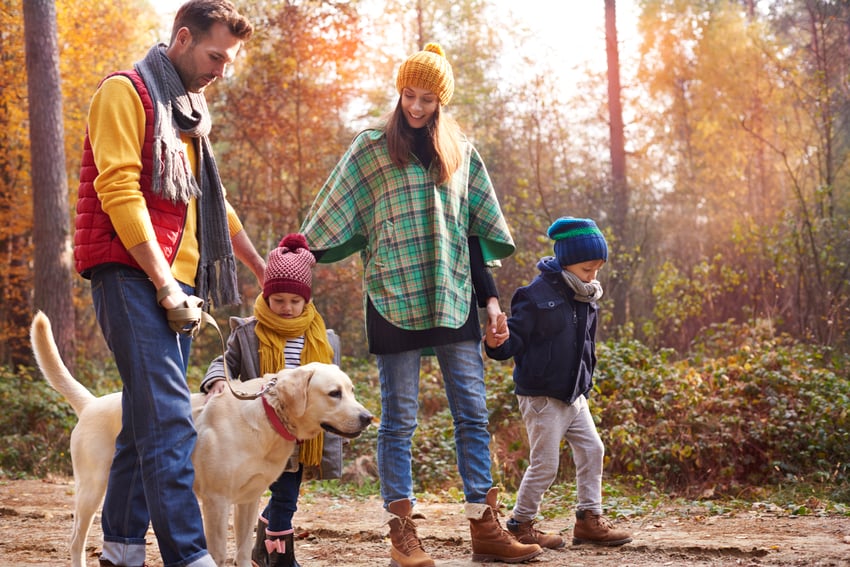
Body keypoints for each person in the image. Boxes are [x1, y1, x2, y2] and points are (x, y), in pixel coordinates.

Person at [299, 42, 542, 566]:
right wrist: (294, 258)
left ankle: (485, 527)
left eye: (427, 98)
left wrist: (491, 301)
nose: (415, 106)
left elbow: (472, 233)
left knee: (472, 414)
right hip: (392, 295)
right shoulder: (371, 148)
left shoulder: (460, 152)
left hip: (452, 294)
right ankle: (402, 534)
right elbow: (330, 213)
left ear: (441, 101)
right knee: (399, 420)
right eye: (408, 95)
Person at [73, 2, 265, 566]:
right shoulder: (124, 93)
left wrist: (260, 267)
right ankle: (189, 555)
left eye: (229, 62)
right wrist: (163, 282)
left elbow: (213, 202)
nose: (221, 71)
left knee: (143, 422)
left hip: (179, 283)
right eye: (215, 57)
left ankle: (121, 550)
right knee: (171, 421)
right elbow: (119, 191)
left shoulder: (188, 116)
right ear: (182, 38)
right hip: (131, 274)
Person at [484, 217, 633, 549]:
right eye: (586, 269)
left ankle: (589, 520)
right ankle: (521, 523)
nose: (592, 276)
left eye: (597, 269)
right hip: (542, 396)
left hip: (574, 394)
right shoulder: (534, 295)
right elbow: (512, 342)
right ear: (566, 261)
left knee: (593, 450)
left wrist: (586, 380)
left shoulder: (586, 296)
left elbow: (586, 345)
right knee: (546, 465)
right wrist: (496, 343)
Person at [200, 233, 341, 567]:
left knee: (286, 496)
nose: (287, 308)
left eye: (295, 301)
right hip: (259, 433)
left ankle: (271, 546)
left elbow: (332, 385)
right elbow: (224, 362)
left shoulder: (322, 339)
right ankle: (274, 554)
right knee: (262, 491)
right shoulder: (248, 333)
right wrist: (217, 380)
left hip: (300, 431)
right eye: (278, 300)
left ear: (306, 301)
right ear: (267, 296)